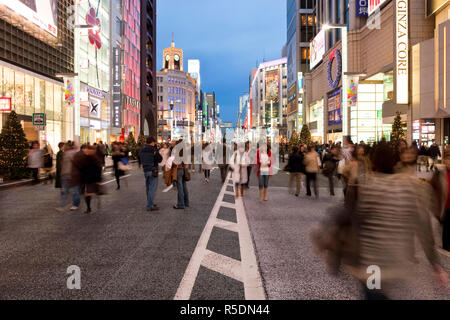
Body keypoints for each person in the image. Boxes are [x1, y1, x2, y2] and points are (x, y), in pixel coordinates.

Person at [350, 141, 447, 299]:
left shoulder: (366, 184)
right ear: (396, 161)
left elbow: (355, 221)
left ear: (373, 161)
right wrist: (435, 264)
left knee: (374, 294)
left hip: (371, 262)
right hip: (395, 262)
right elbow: (423, 226)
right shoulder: (409, 186)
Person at [72, 144, 102, 214]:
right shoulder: (84, 157)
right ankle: (88, 207)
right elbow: (80, 167)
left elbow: (98, 168)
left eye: (90, 150)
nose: (88, 151)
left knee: (91, 191)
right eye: (88, 150)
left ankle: (94, 202)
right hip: (86, 177)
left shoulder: (95, 158)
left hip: (93, 177)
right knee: (87, 193)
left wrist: (98, 179)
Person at [139, 137, 162, 212]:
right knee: (152, 188)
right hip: (153, 170)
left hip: (146, 170)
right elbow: (160, 159)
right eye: (154, 142)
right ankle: (150, 205)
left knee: (148, 188)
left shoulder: (142, 149)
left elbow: (140, 158)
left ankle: (150, 202)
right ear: (152, 142)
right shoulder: (154, 150)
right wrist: (155, 153)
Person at [59, 142, 81, 211]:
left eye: (65, 146)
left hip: (72, 174)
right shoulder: (65, 153)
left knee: (74, 190)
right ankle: (63, 205)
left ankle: (75, 204)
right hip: (66, 174)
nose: (64, 147)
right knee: (65, 190)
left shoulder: (73, 153)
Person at [173, 140, 189, 209]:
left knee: (180, 188)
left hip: (178, 169)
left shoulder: (177, 151)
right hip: (184, 169)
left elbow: (175, 162)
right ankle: (186, 202)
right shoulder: (185, 151)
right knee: (184, 187)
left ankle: (180, 204)